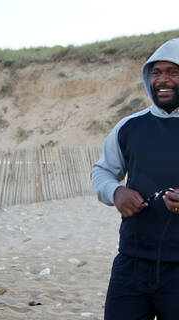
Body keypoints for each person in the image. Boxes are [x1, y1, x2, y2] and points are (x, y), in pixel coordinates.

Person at [91, 38, 179, 320]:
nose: (162, 80)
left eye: (173, 72)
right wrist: (116, 192)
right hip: (131, 261)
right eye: (156, 72)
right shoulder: (129, 126)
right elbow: (102, 171)